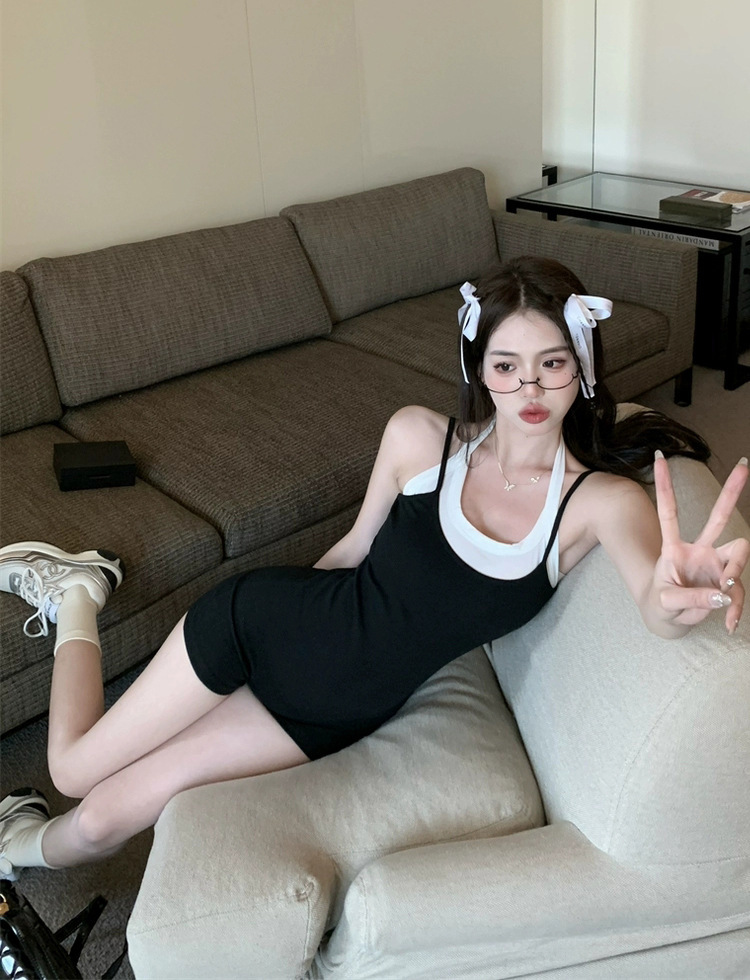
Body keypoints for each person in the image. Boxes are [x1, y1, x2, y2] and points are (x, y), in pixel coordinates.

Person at [0, 256, 747, 878]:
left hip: (330, 710)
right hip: (261, 625)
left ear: (581, 367)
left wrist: (678, 598)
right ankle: (77, 594)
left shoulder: (599, 503)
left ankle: (15, 839)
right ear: (478, 369)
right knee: (72, 771)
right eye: (506, 365)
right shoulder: (419, 439)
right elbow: (351, 553)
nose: (528, 388)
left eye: (551, 364)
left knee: (103, 819)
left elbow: (655, 602)